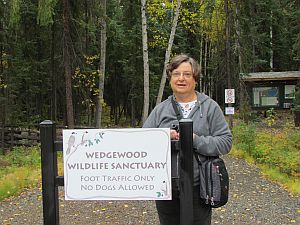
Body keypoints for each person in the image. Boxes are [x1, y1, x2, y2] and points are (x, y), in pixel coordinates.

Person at [143, 54, 232, 225]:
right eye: (176, 74)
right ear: (170, 78)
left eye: (187, 74)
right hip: (165, 186)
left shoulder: (210, 107)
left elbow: (225, 142)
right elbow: (143, 140)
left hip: (199, 186)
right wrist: (163, 136)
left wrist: (195, 140)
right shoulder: (160, 110)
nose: (181, 79)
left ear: (195, 79)